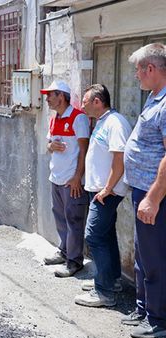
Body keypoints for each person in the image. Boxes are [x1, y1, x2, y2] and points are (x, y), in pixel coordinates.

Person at [122, 43, 166, 338]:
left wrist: (152, 197)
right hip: (141, 189)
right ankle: (143, 307)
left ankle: (158, 318)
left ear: (150, 69)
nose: (136, 76)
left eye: (138, 70)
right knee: (142, 253)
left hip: (155, 194)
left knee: (154, 256)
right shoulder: (154, 98)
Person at [73, 84, 131, 308]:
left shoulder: (115, 123)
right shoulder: (103, 121)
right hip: (100, 190)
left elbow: (119, 159)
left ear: (97, 101)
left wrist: (107, 189)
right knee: (105, 235)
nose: (82, 105)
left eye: (85, 101)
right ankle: (112, 280)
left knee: (94, 236)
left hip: (106, 192)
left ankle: (104, 292)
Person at [41, 80, 90, 278]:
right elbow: (48, 145)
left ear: (61, 96)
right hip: (56, 178)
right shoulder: (54, 118)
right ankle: (64, 251)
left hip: (72, 181)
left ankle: (75, 261)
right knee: (60, 217)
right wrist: (51, 147)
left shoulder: (78, 118)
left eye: (50, 95)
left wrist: (78, 177)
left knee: (74, 220)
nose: (46, 99)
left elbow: (84, 150)